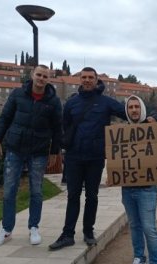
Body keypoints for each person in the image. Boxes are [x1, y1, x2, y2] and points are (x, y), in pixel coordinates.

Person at [49, 67, 127, 251]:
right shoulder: (71, 103)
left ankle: (88, 232)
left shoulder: (107, 102)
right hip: (74, 156)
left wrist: (151, 119)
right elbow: (64, 126)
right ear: (79, 80)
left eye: (90, 77)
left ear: (96, 80)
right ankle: (67, 234)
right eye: (84, 77)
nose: (87, 80)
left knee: (92, 196)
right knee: (73, 195)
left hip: (95, 156)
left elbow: (129, 114)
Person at [0, 65, 62, 247]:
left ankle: (34, 227)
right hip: (15, 148)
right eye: (39, 74)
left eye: (45, 76)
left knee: (36, 191)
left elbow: (57, 129)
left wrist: (55, 152)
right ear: (32, 75)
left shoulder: (53, 101)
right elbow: (5, 117)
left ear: (49, 79)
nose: (41, 78)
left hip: (38, 150)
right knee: (9, 190)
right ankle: (6, 230)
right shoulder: (17, 94)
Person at [120, 95, 157, 264]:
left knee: (149, 227)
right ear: (127, 110)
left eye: (136, 107)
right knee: (134, 226)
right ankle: (139, 259)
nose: (133, 110)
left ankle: (155, 263)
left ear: (142, 109)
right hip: (128, 188)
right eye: (130, 107)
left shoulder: (153, 129)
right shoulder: (121, 132)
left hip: (147, 188)